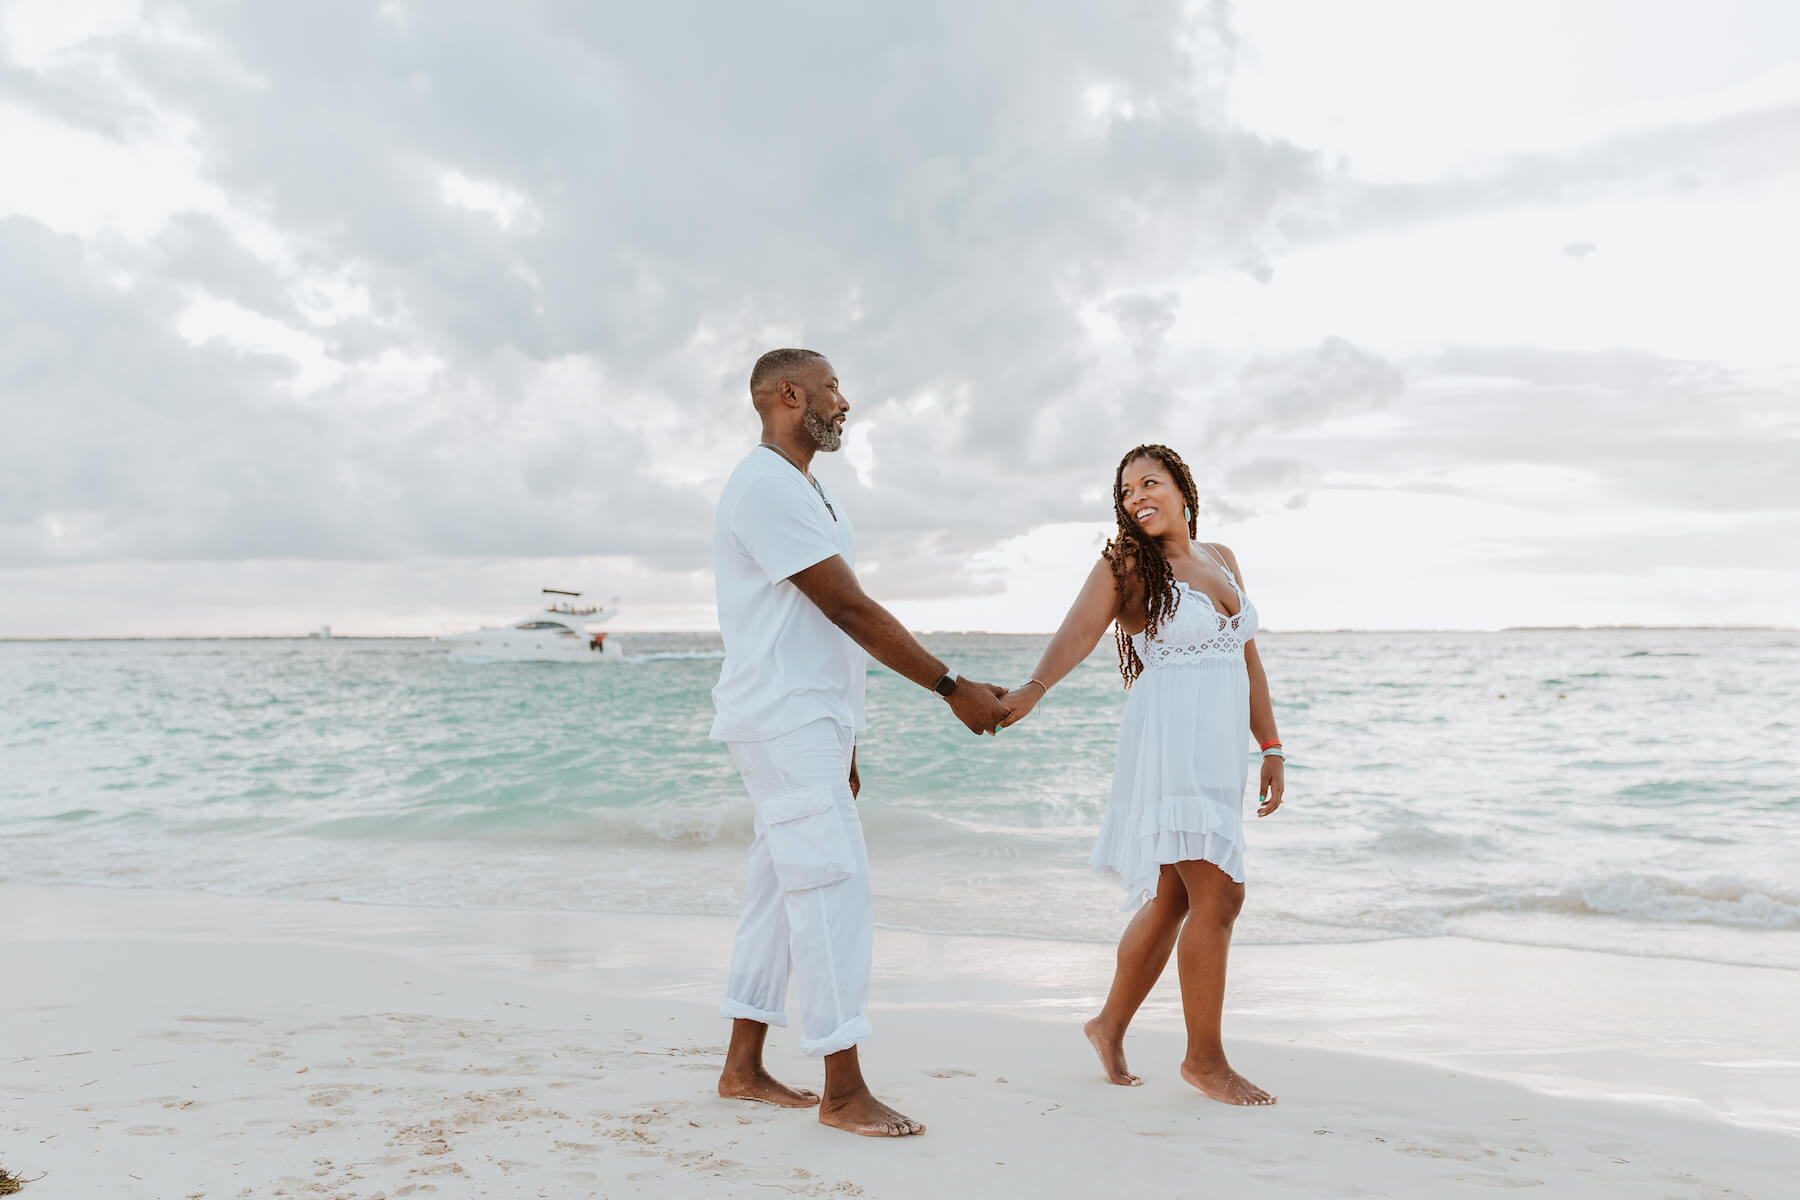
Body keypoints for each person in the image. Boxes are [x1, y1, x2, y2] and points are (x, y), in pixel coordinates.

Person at [710, 348, 1012, 1138]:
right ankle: (842, 1092)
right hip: (783, 716)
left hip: (805, 719)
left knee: (781, 887)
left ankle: (742, 1068)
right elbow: (847, 609)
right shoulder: (766, 486)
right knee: (832, 887)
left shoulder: (807, 489)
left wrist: (846, 738)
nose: (845, 402)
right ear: (787, 393)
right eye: (832, 388)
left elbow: (821, 630)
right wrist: (952, 688)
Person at [998, 443, 1286, 1105]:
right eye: (1126, 492)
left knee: (1176, 900)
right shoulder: (1128, 563)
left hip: (1221, 753)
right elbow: (1078, 631)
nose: (1136, 499)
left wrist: (1269, 744)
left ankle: (1107, 1025)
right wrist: (1032, 690)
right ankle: (1204, 1061)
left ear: (1183, 488)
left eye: (1149, 483)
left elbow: (1247, 661)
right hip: (1172, 747)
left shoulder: (1222, 559)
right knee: (1220, 896)